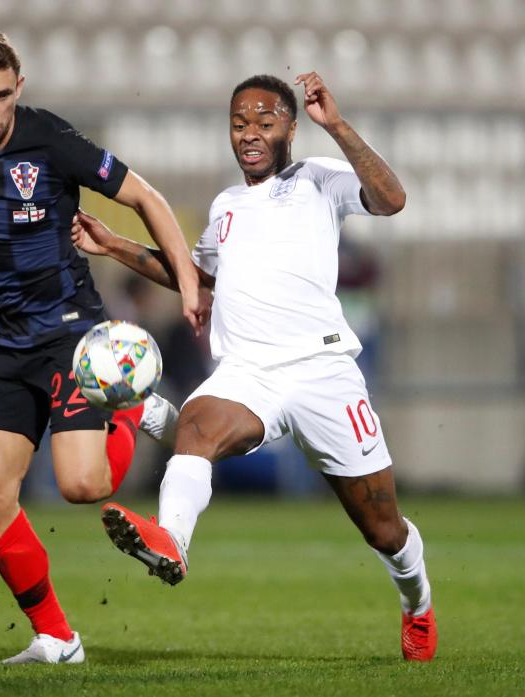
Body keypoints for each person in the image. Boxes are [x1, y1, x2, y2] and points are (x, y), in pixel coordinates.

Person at [72, 72, 438, 662]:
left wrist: (337, 126)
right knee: (196, 427)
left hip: (322, 369)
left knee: (383, 530)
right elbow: (195, 277)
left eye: (264, 123)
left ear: (291, 127)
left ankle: (417, 604)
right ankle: (173, 542)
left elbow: (392, 199)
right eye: (240, 124)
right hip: (249, 370)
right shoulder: (225, 206)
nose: (250, 134)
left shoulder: (319, 178)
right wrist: (113, 244)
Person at [0, 28, 204, 665]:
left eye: (1, 95)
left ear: (18, 88)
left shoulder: (50, 139)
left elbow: (145, 197)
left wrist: (186, 281)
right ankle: (57, 637)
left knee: (83, 486)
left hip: (70, 332)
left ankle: (129, 404)